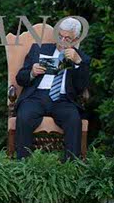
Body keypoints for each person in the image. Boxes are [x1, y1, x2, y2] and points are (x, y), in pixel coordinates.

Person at [15, 17, 90, 160]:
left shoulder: (82, 59)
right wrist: (31, 73)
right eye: (59, 36)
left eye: (67, 38)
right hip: (36, 97)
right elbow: (20, 78)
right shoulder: (38, 49)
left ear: (76, 39)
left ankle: (71, 164)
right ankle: (23, 162)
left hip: (63, 100)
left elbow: (81, 87)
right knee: (24, 116)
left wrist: (77, 63)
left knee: (74, 119)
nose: (62, 41)